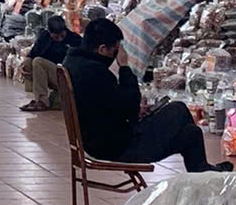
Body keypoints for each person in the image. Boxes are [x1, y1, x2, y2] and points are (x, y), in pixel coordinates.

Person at [63, 16, 220, 172]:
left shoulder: (73, 62)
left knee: (191, 133)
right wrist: (124, 67)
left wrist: (135, 111)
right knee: (178, 109)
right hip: (117, 146)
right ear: (102, 49)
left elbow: (107, 104)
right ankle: (202, 172)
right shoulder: (94, 71)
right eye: (115, 50)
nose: (118, 54)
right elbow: (130, 107)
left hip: (98, 140)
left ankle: (202, 173)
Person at [20, 10, 74, 111]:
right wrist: (23, 65)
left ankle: (42, 101)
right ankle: (39, 96)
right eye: (56, 36)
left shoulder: (74, 40)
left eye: (62, 35)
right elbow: (32, 54)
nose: (60, 39)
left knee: (38, 61)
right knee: (28, 62)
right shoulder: (44, 37)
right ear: (49, 32)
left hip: (67, 77)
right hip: (51, 74)